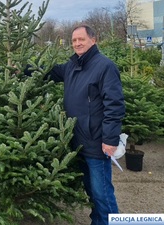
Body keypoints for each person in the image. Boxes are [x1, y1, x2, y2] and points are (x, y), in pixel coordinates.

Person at [37, 24, 125, 225]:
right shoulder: (72, 66)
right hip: (77, 140)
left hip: (96, 141)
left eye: (81, 39)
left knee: (102, 193)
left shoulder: (104, 66)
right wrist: (23, 69)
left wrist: (110, 139)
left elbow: (114, 104)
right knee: (91, 191)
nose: (77, 43)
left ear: (93, 40)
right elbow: (51, 72)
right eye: (74, 40)